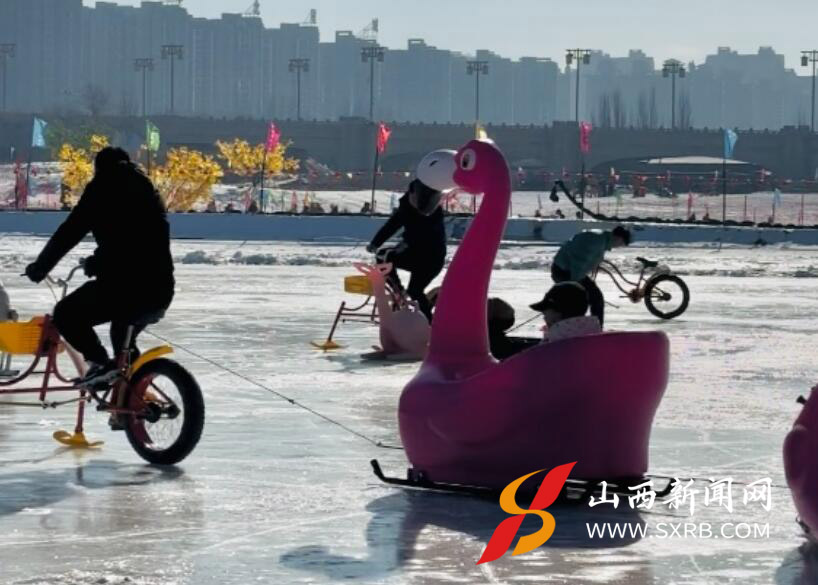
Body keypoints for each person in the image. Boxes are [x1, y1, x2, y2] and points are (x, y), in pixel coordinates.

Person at [24, 147, 175, 387]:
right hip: (160, 290)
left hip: (124, 287)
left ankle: (99, 363)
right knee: (123, 341)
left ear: (99, 168)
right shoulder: (149, 191)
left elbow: (70, 231)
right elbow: (138, 240)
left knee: (66, 314)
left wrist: (41, 267)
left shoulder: (102, 187)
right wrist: (99, 262)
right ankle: (133, 396)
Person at [366, 150, 456, 321]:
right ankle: (400, 294)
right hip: (421, 256)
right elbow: (392, 225)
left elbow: (419, 233)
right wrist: (375, 242)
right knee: (385, 259)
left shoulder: (430, 212)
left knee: (412, 288)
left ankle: (425, 319)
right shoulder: (410, 208)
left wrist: (400, 244)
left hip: (429, 258)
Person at [550, 225, 631, 327]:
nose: (619, 246)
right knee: (580, 301)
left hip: (571, 271)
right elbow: (578, 262)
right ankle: (567, 328)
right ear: (618, 238)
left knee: (595, 298)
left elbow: (585, 258)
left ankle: (593, 328)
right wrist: (574, 285)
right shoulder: (597, 242)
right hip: (565, 272)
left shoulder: (601, 239)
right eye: (622, 243)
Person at [530, 281, 601, 343]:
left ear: (558, 312)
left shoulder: (553, 345)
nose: (544, 318)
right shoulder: (598, 338)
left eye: (545, 314)